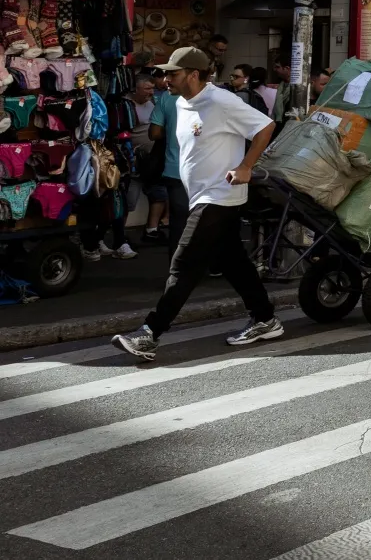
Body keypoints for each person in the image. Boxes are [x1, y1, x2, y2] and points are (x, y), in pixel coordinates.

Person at [112, 47, 283, 361]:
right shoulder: (179, 102)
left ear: (193, 74)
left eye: (173, 73)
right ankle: (265, 318)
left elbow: (265, 127)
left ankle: (150, 334)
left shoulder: (222, 101)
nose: (166, 79)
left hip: (219, 196)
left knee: (184, 263)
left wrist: (246, 166)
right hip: (200, 196)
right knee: (234, 262)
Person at [143, 70, 189, 246]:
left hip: (175, 169)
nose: (166, 80)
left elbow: (154, 133)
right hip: (201, 172)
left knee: (179, 225)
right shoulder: (217, 97)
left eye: (172, 75)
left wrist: (171, 129)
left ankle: (178, 270)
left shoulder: (167, 98)